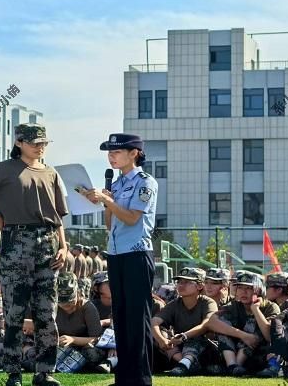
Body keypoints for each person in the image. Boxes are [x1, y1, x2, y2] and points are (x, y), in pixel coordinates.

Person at [0, 123, 68, 386]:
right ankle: (13, 372)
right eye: (34, 143)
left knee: (47, 313)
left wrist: (64, 246)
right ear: (19, 142)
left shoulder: (51, 173)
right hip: (16, 242)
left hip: (48, 244)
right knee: (14, 312)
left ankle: (44, 372)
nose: (40, 147)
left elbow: (58, 217)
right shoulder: (3, 169)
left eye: (43, 143)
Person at [82, 133, 157, 386]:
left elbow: (133, 218)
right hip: (116, 254)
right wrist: (106, 202)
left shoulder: (145, 183)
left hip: (137, 254)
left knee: (137, 318)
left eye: (116, 152)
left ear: (134, 153)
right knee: (121, 318)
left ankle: (141, 379)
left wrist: (108, 200)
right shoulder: (117, 184)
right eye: (109, 153)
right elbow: (110, 224)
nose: (111, 157)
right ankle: (123, 377)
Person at [207, 272, 280, 376]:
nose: (243, 292)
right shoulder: (234, 305)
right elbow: (211, 322)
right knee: (222, 325)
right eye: (240, 288)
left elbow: (270, 336)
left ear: (259, 290)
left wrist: (255, 310)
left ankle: (235, 366)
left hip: (259, 353)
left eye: (249, 288)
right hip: (234, 352)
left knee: (253, 323)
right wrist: (243, 335)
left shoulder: (270, 307)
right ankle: (232, 366)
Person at [151, 268, 217, 376]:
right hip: (180, 347)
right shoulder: (174, 304)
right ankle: (184, 363)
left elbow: (206, 324)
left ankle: (184, 364)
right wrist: (161, 340)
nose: (181, 285)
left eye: (187, 282)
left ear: (200, 286)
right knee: (160, 332)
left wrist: (184, 336)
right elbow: (154, 321)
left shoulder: (208, 303)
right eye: (179, 282)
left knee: (197, 339)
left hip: (205, 348)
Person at [55, 272, 109, 373]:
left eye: (70, 302)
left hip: (82, 348)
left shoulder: (88, 308)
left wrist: (72, 339)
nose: (67, 307)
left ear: (77, 293)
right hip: (59, 347)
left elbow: (97, 339)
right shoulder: (51, 307)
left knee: (92, 353)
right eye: (63, 303)